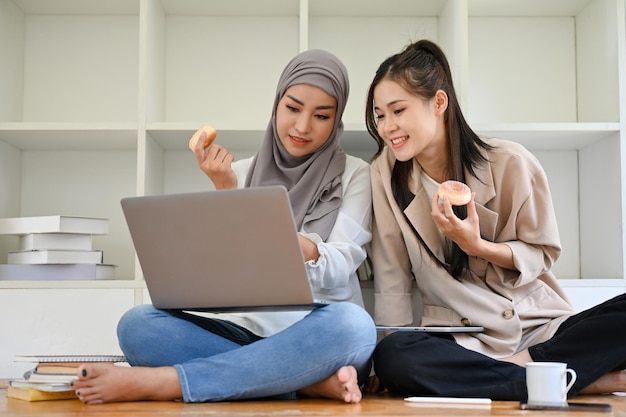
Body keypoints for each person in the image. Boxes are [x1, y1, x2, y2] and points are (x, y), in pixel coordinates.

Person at [71, 49, 376, 404]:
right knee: (138, 324)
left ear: (336, 120)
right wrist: (226, 193)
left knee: (355, 327)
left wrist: (277, 234)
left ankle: (169, 383)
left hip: (316, 332)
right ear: (277, 104)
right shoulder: (239, 173)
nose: (302, 126)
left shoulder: (355, 173)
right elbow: (222, 273)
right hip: (241, 331)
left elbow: (340, 267)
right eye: (292, 108)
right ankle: (301, 382)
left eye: (321, 115)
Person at [365, 39, 626, 400]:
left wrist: (478, 246)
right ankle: (568, 379)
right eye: (380, 114)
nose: (387, 126)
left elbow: (541, 254)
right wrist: (386, 364)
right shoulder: (385, 174)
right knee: (396, 356)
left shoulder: (511, 162)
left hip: (536, 327)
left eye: (398, 110)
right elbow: (391, 273)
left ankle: (532, 369)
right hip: (461, 337)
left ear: (439, 103)